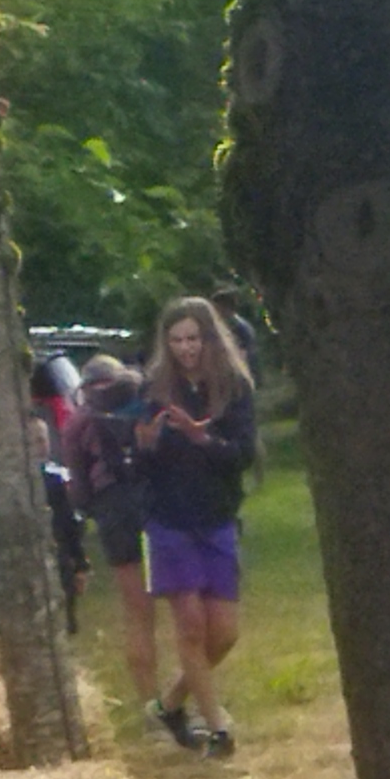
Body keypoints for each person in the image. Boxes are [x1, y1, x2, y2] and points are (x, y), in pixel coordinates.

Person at [131, 297, 257, 755]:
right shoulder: (153, 392)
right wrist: (144, 447)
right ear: (166, 343)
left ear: (209, 338)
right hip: (168, 521)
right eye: (177, 340)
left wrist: (201, 437)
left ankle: (169, 703)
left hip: (217, 517)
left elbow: (242, 454)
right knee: (190, 627)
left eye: (193, 339)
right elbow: (140, 470)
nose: (185, 348)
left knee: (224, 632)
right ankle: (217, 726)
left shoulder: (234, 389)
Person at [68, 356, 151, 702]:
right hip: (152, 501)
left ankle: (150, 699)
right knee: (182, 602)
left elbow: (81, 488)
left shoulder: (77, 424)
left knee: (137, 611)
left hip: (112, 509)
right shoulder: (142, 404)